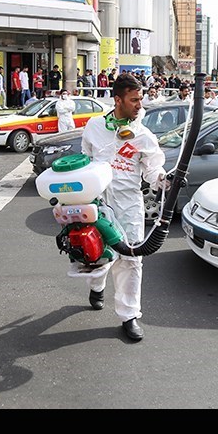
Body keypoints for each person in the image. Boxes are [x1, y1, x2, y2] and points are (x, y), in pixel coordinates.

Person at [81, 73, 167, 342]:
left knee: (131, 259)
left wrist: (165, 180)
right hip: (99, 203)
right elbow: (84, 161)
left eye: (140, 99)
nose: (139, 104)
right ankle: (97, 286)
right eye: (134, 100)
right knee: (97, 257)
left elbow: (154, 170)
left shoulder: (143, 135)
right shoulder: (94, 127)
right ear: (117, 100)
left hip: (129, 205)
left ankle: (129, 315)